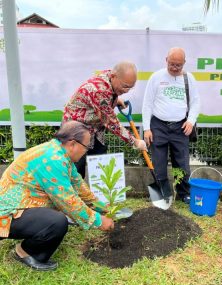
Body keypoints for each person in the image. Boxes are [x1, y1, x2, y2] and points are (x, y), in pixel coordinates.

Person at [0, 121, 114, 271]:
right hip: (8, 215)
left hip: (22, 208)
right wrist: (99, 221)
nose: (86, 150)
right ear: (72, 144)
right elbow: (68, 201)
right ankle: (25, 252)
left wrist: (100, 206)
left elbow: (78, 184)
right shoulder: (53, 159)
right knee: (56, 222)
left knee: (57, 217)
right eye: (86, 146)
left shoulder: (59, 153)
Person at [63, 61, 147, 178]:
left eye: (130, 87)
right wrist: (135, 141)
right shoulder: (100, 91)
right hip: (76, 130)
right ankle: (73, 195)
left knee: (100, 163)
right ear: (114, 76)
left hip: (94, 129)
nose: (127, 91)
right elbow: (111, 123)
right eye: (124, 86)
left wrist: (115, 100)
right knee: (77, 169)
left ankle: (100, 194)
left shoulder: (109, 78)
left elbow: (104, 98)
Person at [142, 47, 201, 203]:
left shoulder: (189, 79)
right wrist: (147, 128)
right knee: (158, 163)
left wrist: (191, 121)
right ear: (166, 60)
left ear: (184, 63)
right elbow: (147, 104)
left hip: (180, 127)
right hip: (158, 126)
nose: (175, 68)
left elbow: (195, 102)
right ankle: (161, 195)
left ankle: (184, 194)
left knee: (182, 163)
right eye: (172, 64)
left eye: (178, 65)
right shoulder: (156, 77)